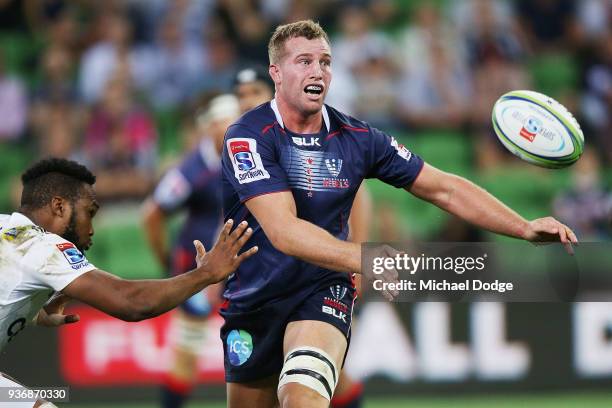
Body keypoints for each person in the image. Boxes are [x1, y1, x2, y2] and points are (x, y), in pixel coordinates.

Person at [220, 20, 578, 408]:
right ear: (276, 72)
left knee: (301, 399)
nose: (317, 71)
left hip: (322, 291)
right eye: (303, 61)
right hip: (255, 300)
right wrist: (365, 258)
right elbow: (284, 232)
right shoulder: (249, 136)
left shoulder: (358, 139)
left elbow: (443, 187)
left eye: (325, 61)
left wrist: (523, 227)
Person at [0, 157, 257, 408]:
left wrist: (34, 312)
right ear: (59, 207)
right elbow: (131, 302)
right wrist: (206, 274)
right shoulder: (42, 246)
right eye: (89, 213)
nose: (91, 228)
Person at [233, 64, 367, 408]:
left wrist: (358, 256)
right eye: (241, 95)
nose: (247, 100)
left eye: (254, 93)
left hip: (317, 280)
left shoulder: (311, 136)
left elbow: (356, 194)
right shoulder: (240, 143)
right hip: (257, 290)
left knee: (303, 391)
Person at [142, 94, 241, 408]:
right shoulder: (191, 171)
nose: (231, 130)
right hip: (198, 277)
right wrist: (168, 263)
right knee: (187, 356)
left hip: (240, 273)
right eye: (225, 124)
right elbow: (152, 214)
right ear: (210, 127)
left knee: (251, 356)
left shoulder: (247, 159)